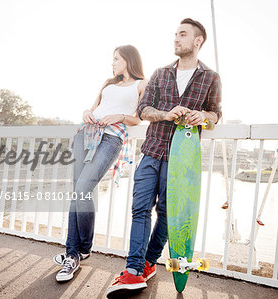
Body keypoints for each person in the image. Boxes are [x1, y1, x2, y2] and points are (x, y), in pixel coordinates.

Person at [106, 18, 222, 296]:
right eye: (175, 34)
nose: (176, 38)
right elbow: (144, 109)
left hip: (182, 158)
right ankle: (133, 270)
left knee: (169, 216)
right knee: (140, 209)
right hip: (152, 151)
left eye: (182, 34)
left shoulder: (210, 77)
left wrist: (202, 116)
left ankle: (148, 262)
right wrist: (164, 115)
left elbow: (216, 114)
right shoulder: (159, 73)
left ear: (198, 41)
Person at [54, 45, 148, 282]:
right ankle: (75, 253)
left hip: (112, 137)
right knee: (79, 192)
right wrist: (87, 111)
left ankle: (77, 251)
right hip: (85, 133)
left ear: (128, 59)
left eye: (116, 59)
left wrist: (120, 117)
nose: (113, 63)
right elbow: (94, 107)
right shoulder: (108, 83)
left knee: (83, 189)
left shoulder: (141, 84)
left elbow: (139, 117)